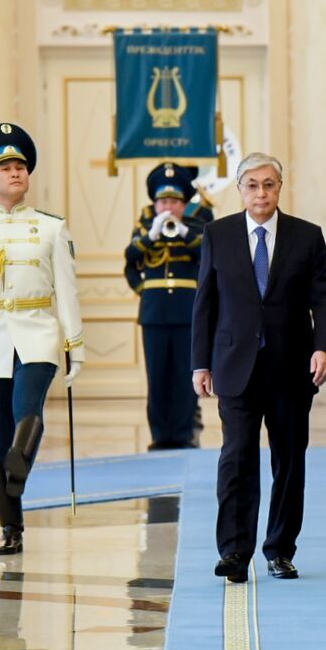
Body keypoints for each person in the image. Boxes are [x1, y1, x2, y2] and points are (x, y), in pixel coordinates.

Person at [191, 153, 326, 583]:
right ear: (240, 190)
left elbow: (324, 298)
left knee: (289, 460)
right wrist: (200, 362)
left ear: (279, 187)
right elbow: (205, 302)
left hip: (292, 368)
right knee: (236, 457)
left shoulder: (306, 236)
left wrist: (323, 348)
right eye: (252, 185)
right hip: (235, 365)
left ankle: (280, 550)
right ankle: (235, 551)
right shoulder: (218, 234)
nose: (261, 193)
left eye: (269, 184)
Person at [0, 123, 85, 556]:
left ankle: (19, 467)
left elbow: (67, 289)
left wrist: (74, 345)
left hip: (37, 333)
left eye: (21, 166)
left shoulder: (50, 228)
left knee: (28, 411)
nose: (15, 173)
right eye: (5, 167)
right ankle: (12, 526)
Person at [125, 162, 204, 450]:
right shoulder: (146, 227)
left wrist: (182, 232)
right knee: (157, 377)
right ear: (155, 204)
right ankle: (160, 434)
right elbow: (130, 260)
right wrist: (152, 236)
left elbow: (207, 257)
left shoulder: (196, 226)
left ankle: (183, 433)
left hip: (187, 312)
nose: (168, 207)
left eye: (173, 201)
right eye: (162, 202)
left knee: (185, 377)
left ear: (184, 204)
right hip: (155, 312)